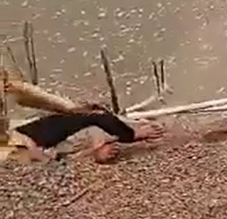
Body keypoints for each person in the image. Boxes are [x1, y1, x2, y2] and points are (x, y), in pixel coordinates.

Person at [1, 68, 164, 164]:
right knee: (40, 158)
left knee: (93, 115)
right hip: (10, 149)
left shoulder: (5, 81)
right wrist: (24, 147)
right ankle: (92, 152)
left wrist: (73, 109)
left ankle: (126, 134)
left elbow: (30, 96)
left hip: (15, 137)